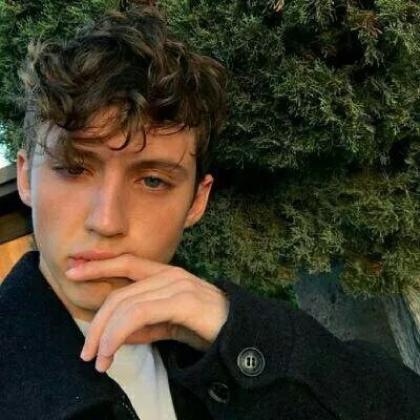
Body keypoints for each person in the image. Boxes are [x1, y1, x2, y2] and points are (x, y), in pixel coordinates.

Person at [1, 4, 420, 420]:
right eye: (74, 168)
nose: (107, 221)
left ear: (197, 201)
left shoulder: (223, 336)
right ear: (25, 178)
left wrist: (240, 334)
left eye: (153, 181)